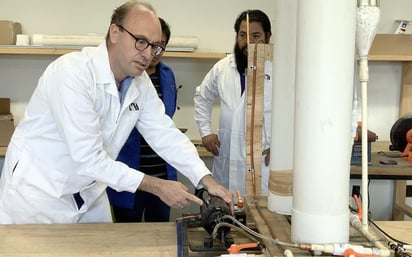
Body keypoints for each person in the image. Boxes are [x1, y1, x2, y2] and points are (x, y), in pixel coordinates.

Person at [0, 1, 233, 224]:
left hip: (89, 195)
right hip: (39, 196)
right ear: (114, 33)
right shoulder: (72, 73)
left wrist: (206, 179)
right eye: (141, 41)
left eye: (155, 46)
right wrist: (157, 185)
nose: (148, 54)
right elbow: (88, 158)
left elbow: (165, 134)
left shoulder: (140, 83)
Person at [194, 10, 272, 198]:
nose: (248, 42)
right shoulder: (222, 67)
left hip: (264, 158)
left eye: (256, 36)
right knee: (228, 212)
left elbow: (294, 112)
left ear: (267, 37)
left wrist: (283, 146)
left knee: (260, 215)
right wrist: (205, 132)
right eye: (243, 35)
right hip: (227, 154)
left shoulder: (279, 70)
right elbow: (202, 97)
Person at [107, 17, 178, 222]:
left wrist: (203, 178)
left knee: (159, 233)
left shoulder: (164, 75)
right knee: (128, 235)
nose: (151, 53)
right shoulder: (120, 75)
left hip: (160, 168)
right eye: (144, 44)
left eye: (159, 47)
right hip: (127, 167)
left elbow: (163, 125)